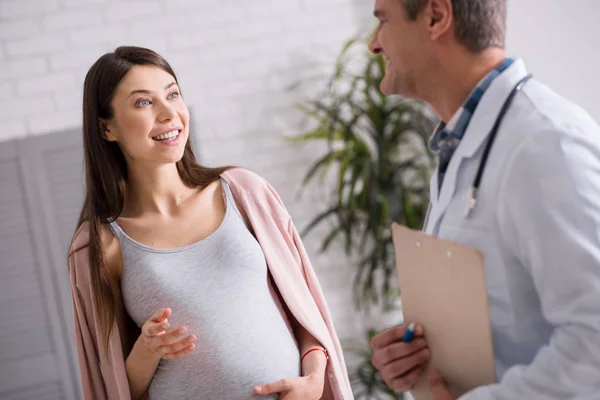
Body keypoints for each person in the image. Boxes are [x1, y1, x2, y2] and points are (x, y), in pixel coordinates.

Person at [67, 46, 353, 400]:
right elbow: (111, 388)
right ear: (106, 127)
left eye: (172, 94)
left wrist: (313, 379)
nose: (169, 112)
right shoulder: (99, 244)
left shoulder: (245, 192)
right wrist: (147, 349)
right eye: (144, 102)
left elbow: (305, 309)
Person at [367, 0, 600, 399]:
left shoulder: (544, 142)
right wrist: (414, 358)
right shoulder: (459, 145)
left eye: (383, 20)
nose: (374, 44)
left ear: (436, 17)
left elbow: (594, 343)